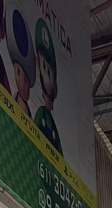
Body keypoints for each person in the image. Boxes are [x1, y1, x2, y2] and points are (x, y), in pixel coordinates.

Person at [33, 18, 62, 155]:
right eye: (44, 68)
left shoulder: (53, 124)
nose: (48, 78)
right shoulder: (41, 114)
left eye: (50, 72)